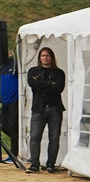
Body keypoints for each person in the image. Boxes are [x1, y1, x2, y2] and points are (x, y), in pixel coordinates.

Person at [27, 45, 67, 174]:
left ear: (52, 57)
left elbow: (58, 89)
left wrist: (41, 83)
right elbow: (32, 84)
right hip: (38, 108)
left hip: (54, 108)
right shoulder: (33, 71)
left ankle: (51, 164)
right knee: (34, 136)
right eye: (43, 56)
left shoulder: (59, 72)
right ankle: (34, 164)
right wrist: (50, 83)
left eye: (47, 56)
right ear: (39, 58)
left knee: (54, 137)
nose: (45, 58)